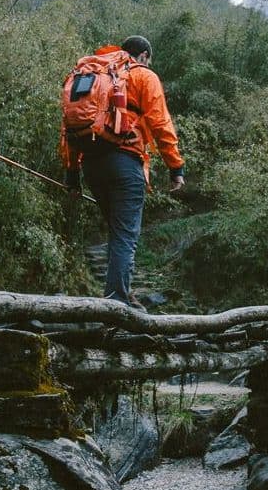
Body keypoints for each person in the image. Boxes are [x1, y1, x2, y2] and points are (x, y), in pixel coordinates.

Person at [61, 35, 184, 305]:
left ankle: (122, 293)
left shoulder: (90, 74)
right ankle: (116, 305)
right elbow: (160, 123)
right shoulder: (142, 75)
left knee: (118, 233)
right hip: (125, 163)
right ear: (142, 56)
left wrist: (72, 175)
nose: (148, 64)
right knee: (125, 236)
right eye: (148, 60)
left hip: (91, 165)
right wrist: (176, 166)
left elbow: (68, 128)